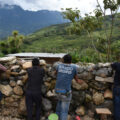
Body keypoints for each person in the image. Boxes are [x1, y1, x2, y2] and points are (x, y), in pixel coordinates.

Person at [55, 54, 83, 120]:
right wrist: (82, 82)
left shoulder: (59, 66)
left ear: (63, 60)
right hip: (66, 92)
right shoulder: (74, 67)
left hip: (57, 91)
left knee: (58, 109)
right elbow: (77, 80)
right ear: (71, 61)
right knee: (64, 112)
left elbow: (55, 74)